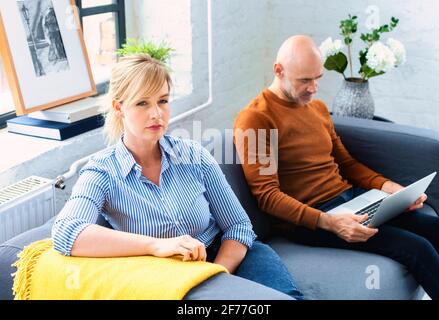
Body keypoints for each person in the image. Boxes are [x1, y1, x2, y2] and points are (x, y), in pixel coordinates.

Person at [51, 53, 303, 300]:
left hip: (231, 257)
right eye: (142, 103)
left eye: (162, 100)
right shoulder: (102, 172)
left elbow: (238, 226)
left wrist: (218, 273)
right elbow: (66, 232)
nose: (156, 114)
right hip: (173, 276)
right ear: (119, 108)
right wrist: (156, 245)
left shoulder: (194, 155)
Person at [234, 35, 439, 300]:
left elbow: (347, 164)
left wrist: (390, 188)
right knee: (417, 248)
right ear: (279, 70)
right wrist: (329, 222)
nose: (313, 88)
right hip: (313, 220)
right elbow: (268, 196)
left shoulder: (318, 108)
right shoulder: (256, 118)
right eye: (304, 80)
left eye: (318, 78)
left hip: (352, 199)